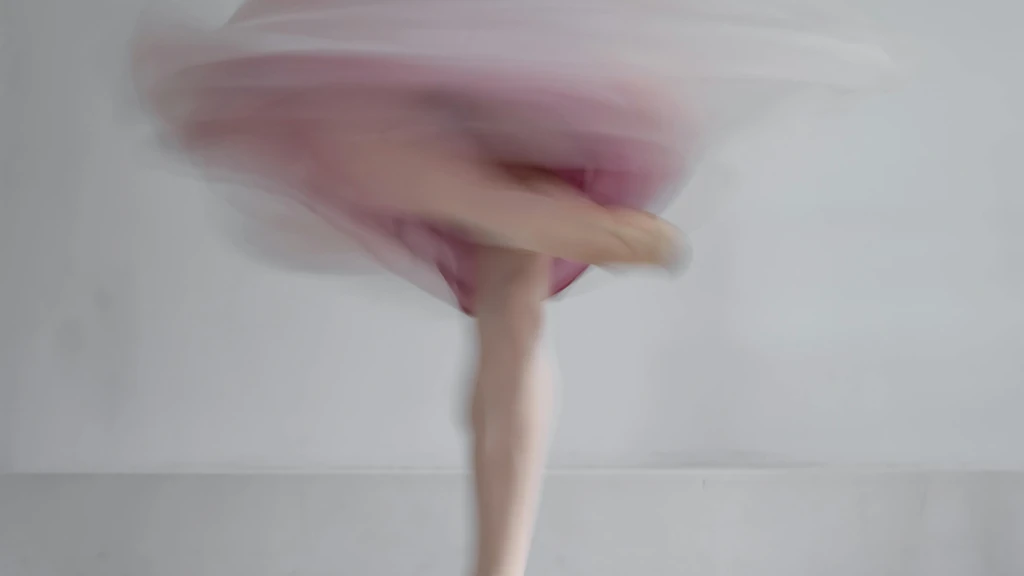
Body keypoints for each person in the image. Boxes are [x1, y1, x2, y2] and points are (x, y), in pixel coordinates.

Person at [132, 2, 892, 574]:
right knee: (511, 313)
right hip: (538, 51)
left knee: (328, 126)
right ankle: (500, 567)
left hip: (472, 47)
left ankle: (494, 205)